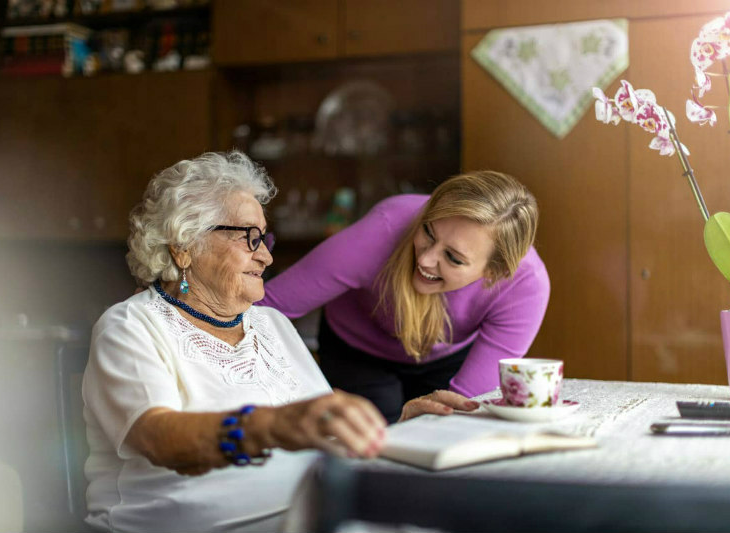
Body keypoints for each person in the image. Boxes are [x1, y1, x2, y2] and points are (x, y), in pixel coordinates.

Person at [82, 151, 478, 533]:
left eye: (264, 240)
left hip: (310, 517)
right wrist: (271, 425)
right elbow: (159, 437)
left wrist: (394, 430)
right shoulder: (132, 325)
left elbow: (321, 434)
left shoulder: (271, 324)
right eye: (249, 239)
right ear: (184, 248)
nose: (267, 259)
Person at [260, 171, 550, 423]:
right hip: (358, 349)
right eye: (428, 232)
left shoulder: (526, 286)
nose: (426, 259)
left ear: (494, 272)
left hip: (447, 357)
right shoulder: (384, 228)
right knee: (369, 446)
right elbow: (265, 307)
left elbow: (465, 408)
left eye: (452, 257)